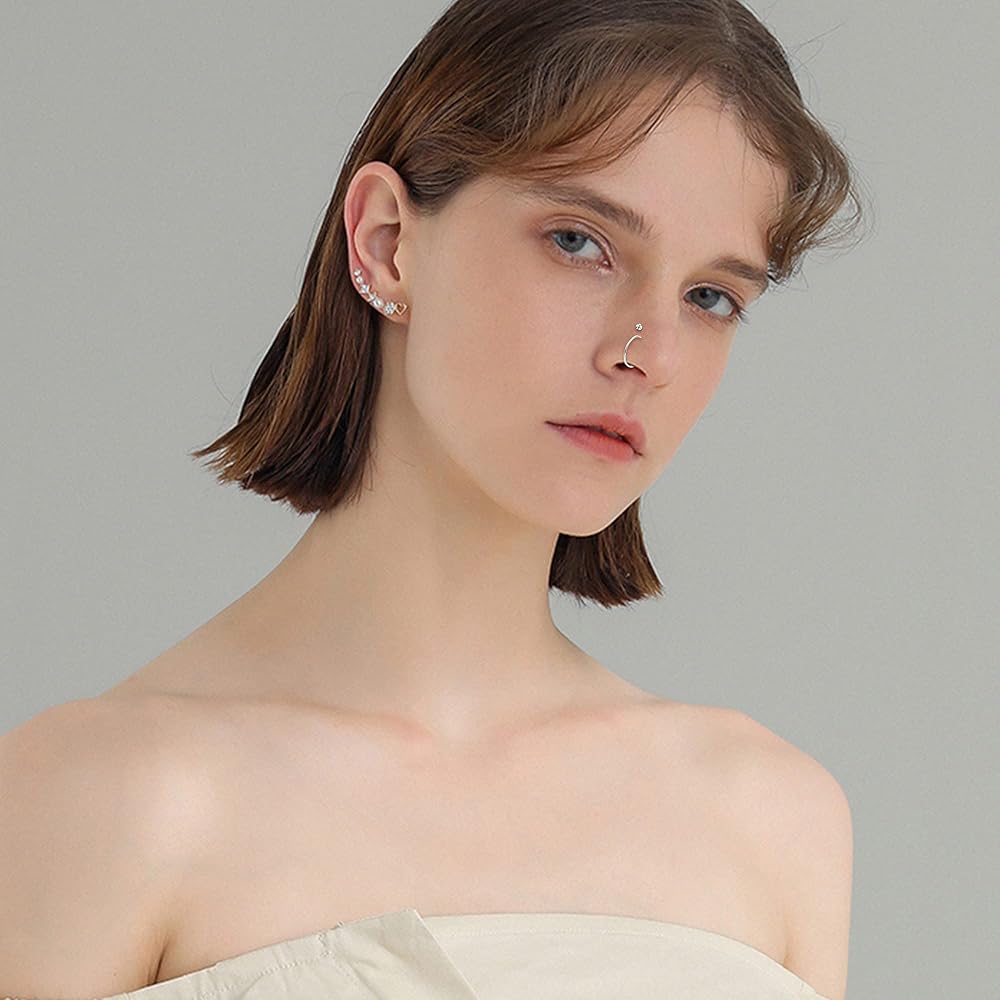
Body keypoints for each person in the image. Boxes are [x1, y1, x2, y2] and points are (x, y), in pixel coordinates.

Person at [0, 1, 866, 998]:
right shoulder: (100, 803)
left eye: (710, 297)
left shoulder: (770, 822)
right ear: (386, 243)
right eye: (580, 242)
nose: (650, 353)